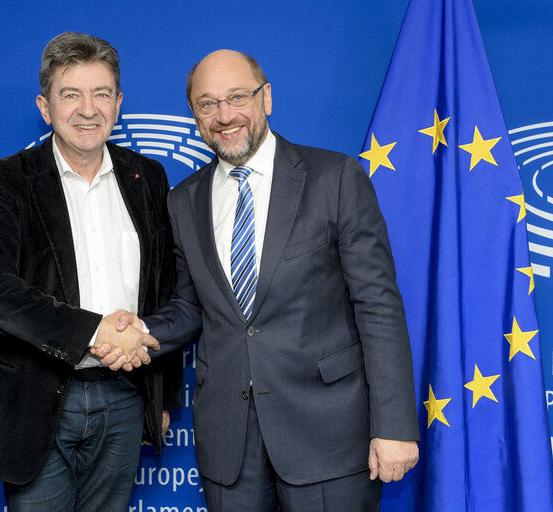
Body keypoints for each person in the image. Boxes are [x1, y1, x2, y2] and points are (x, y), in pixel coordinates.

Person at [95, 49, 420, 511]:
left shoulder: (336, 178)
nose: (224, 116)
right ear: (194, 115)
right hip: (230, 448)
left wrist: (394, 427)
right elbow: (191, 308)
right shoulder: (184, 201)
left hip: (328, 438)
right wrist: (139, 332)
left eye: (237, 97)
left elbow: (378, 306)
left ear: (265, 98)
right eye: (207, 104)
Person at [0, 32, 181, 512]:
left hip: (126, 397)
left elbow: (166, 287)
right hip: (36, 401)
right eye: (71, 94)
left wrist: (164, 398)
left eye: (101, 94)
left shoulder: (150, 177)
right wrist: (92, 330)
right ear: (45, 106)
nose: (88, 109)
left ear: (119, 103)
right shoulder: (4, 182)